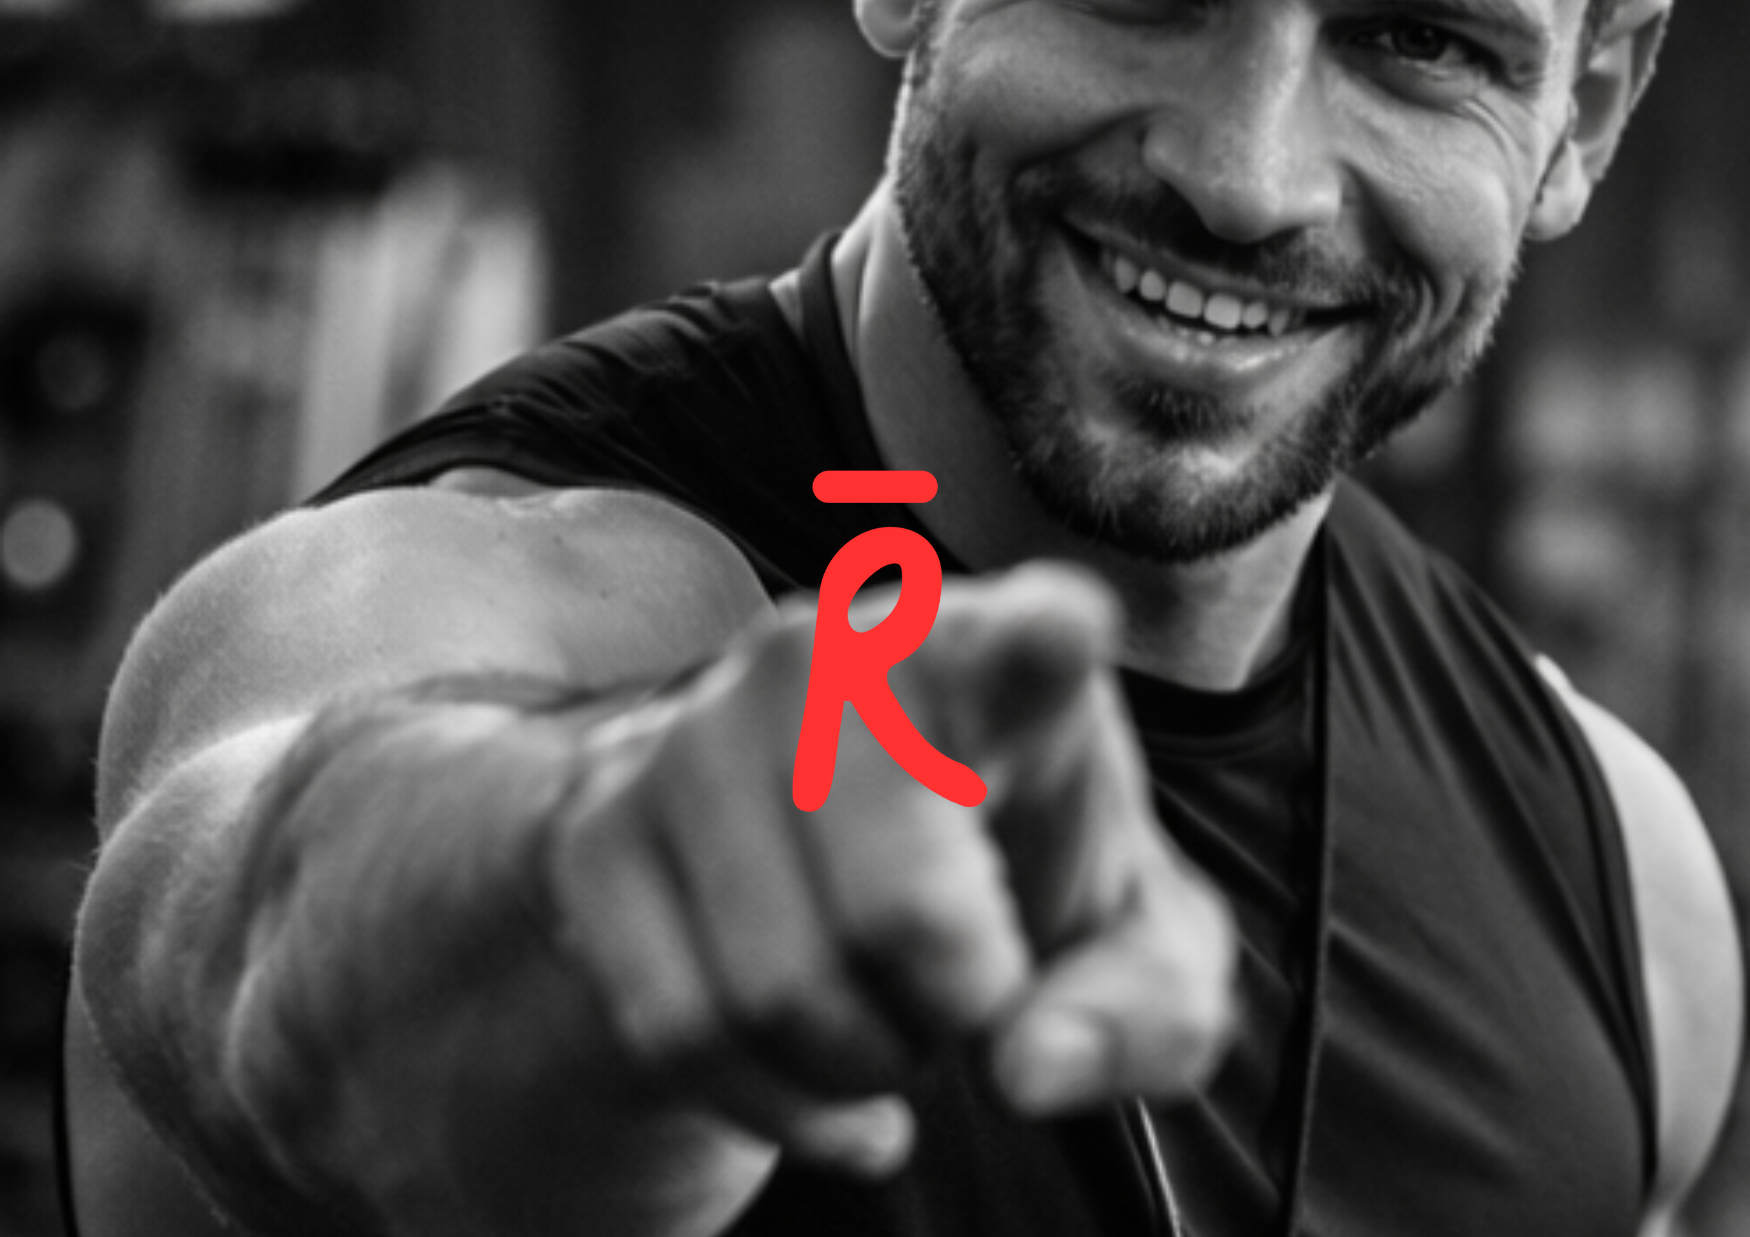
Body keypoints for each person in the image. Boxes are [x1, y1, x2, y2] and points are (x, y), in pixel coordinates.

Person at [60, 0, 1747, 1234]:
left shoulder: (1620, 878)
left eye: (1419, 41)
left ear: (1584, 110)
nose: (1245, 177)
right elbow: (249, 943)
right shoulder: (499, 590)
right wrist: (601, 860)